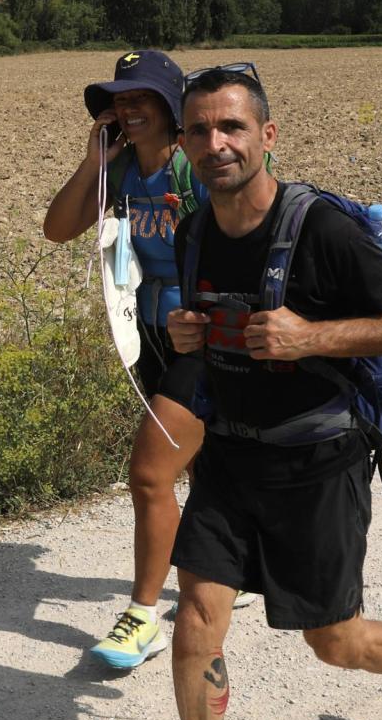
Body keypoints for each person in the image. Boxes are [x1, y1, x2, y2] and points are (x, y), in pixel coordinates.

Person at [165, 64, 382, 720]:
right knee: (196, 621)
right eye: (199, 131)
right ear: (182, 144)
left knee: (334, 641)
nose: (216, 144)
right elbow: (216, 333)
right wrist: (188, 335)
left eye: (232, 126)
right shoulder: (194, 234)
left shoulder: (322, 230)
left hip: (317, 463)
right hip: (228, 459)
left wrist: (311, 338)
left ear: (266, 135)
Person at [42, 49, 244, 670]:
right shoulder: (123, 170)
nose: (128, 109)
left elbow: (243, 240)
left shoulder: (194, 168)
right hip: (148, 332)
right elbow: (58, 228)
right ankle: (223, 568)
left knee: (151, 473)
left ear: (170, 107)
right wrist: (93, 163)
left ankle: (143, 617)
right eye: (119, 100)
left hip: (202, 336)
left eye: (141, 98)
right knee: (201, 461)